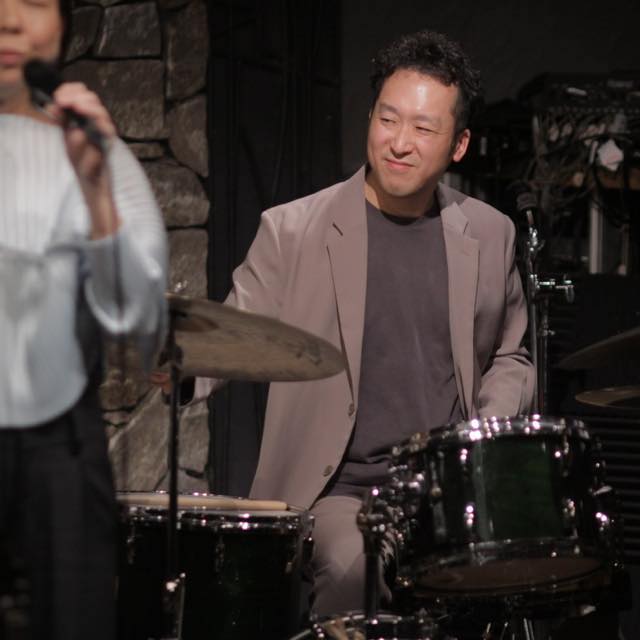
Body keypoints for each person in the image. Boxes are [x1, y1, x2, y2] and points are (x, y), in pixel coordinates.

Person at [164, 30, 534, 617]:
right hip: (340, 489)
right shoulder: (294, 230)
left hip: (447, 486)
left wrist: (484, 433)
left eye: (423, 128)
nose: (399, 143)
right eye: (388, 119)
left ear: (459, 144)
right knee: (351, 567)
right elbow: (235, 331)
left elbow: (511, 355)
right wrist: (178, 364)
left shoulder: (490, 233)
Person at [0, 0, 168, 638]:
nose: (9, 20)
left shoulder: (98, 151)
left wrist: (95, 188)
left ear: (63, 25)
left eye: (34, 2)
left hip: (62, 444)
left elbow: (139, 321)